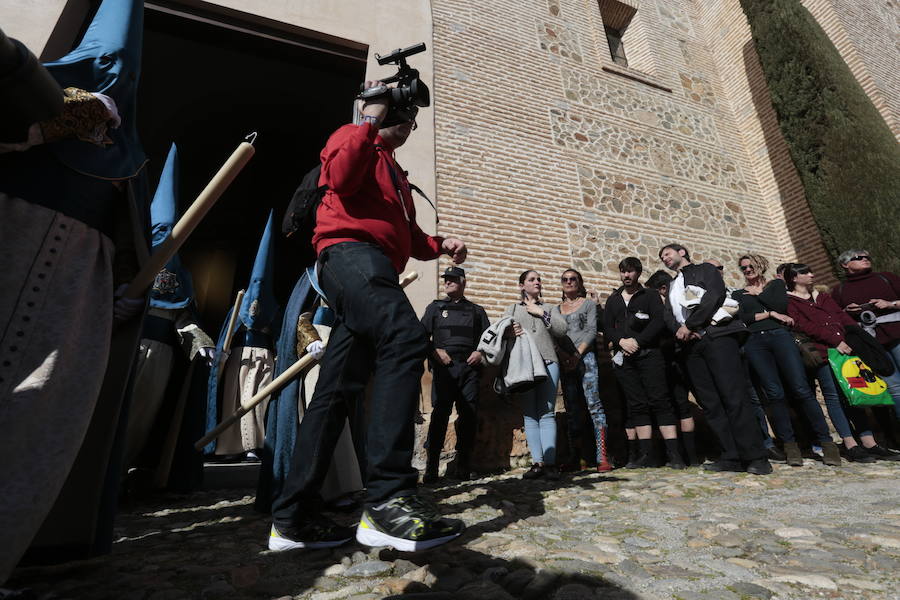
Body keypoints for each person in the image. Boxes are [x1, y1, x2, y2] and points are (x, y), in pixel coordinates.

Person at [268, 79, 468, 553]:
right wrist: (369, 117)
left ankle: (291, 519)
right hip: (347, 255)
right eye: (403, 118)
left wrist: (441, 246)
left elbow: (406, 235)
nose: (408, 126)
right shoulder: (352, 137)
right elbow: (338, 178)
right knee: (405, 337)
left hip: (376, 264)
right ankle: (387, 500)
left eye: (412, 121)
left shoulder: (396, 173)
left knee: (336, 391)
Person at [658, 243, 771, 475]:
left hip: (716, 338)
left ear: (682, 252)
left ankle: (756, 456)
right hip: (689, 346)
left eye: (667, 253)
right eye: (661, 257)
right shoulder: (672, 285)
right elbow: (668, 314)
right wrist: (680, 330)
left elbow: (714, 296)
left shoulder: (705, 271)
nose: (664, 258)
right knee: (710, 402)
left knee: (733, 395)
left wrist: (691, 324)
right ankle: (731, 455)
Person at [733, 254, 841, 466]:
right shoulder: (738, 293)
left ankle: (827, 443)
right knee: (774, 393)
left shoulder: (776, 285)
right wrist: (770, 313)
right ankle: (790, 446)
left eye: (750, 266)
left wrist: (761, 298)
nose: (747, 270)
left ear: (761, 265)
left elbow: (781, 305)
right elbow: (743, 318)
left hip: (781, 337)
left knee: (801, 389)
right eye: (743, 267)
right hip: (755, 342)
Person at [784, 263, 897, 462]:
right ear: (794, 278)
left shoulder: (823, 296)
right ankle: (850, 444)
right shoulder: (790, 301)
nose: (812, 274)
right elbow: (805, 326)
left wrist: (855, 339)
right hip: (824, 353)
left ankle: (869, 442)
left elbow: (842, 317)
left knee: (854, 393)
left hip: (846, 350)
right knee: (834, 397)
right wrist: (836, 341)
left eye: (811, 271)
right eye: (805, 272)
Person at [604, 258, 685, 469]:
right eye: (623, 272)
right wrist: (621, 341)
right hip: (624, 357)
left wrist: (637, 341)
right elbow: (607, 326)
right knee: (636, 404)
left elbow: (658, 321)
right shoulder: (613, 300)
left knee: (660, 400)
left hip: (650, 354)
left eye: (630, 272)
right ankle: (646, 454)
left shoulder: (649, 295)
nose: (626, 275)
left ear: (638, 273)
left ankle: (674, 454)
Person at [420, 266, 490, 482]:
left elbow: (489, 341)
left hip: (469, 370)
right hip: (444, 370)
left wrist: (480, 353)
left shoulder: (477, 311)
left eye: (453, 279)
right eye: (446, 279)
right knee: (440, 416)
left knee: (468, 416)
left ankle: (464, 464)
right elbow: (421, 336)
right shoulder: (435, 308)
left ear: (463, 282)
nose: (448, 282)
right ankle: (431, 467)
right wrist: (435, 351)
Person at [505, 270, 568, 480]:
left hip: (549, 363)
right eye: (532, 280)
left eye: (539, 279)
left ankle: (550, 464)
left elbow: (561, 330)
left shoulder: (549, 307)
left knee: (547, 412)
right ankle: (537, 463)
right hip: (524, 366)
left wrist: (541, 313)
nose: (537, 282)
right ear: (522, 285)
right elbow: (502, 335)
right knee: (530, 414)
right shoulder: (513, 309)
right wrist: (509, 332)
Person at [552, 269, 612, 473]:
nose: (569, 282)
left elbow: (592, 330)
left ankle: (602, 456)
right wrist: (563, 355)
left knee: (594, 404)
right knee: (572, 409)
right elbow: (554, 336)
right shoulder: (556, 309)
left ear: (579, 283)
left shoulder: (587, 304)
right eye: (565, 279)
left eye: (573, 279)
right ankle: (576, 457)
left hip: (586, 359)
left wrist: (576, 356)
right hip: (565, 362)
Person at [830, 250, 900, 420]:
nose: (865, 259)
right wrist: (846, 311)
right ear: (845, 265)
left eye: (867, 257)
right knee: (895, 387)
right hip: (870, 344)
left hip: (898, 335)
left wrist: (890, 304)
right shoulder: (839, 290)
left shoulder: (886, 277)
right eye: (859, 258)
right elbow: (836, 317)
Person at [645, 270, 698, 465]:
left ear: (663, 289)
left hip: (672, 360)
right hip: (676, 358)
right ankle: (688, 457)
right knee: (680, 407)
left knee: (676, 406)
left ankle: (685, 456)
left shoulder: (668, 309)